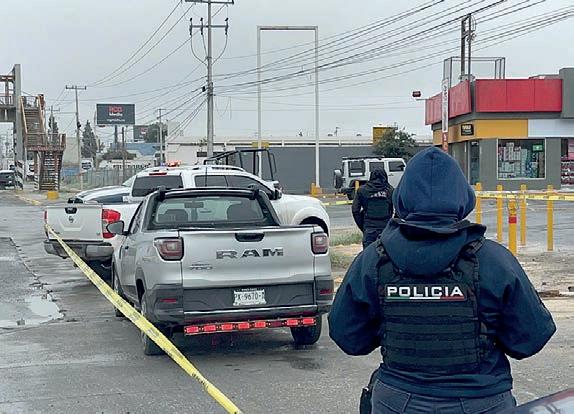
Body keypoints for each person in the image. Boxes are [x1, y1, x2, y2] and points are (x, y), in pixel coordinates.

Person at [329, 147, 556, 414]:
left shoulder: (373, 259)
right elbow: (530, 338)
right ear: (464, 197)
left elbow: (348, 336)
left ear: (402, 197)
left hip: (398, 400)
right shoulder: (494, 260)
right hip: (482, 400)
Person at [352, 168, 394, 248]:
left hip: (369, 228)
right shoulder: (390, 190)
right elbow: (398, 209)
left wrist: (363, 226)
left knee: (369, 254)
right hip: (386, 229)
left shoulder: (362, 190)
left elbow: (355, 210)